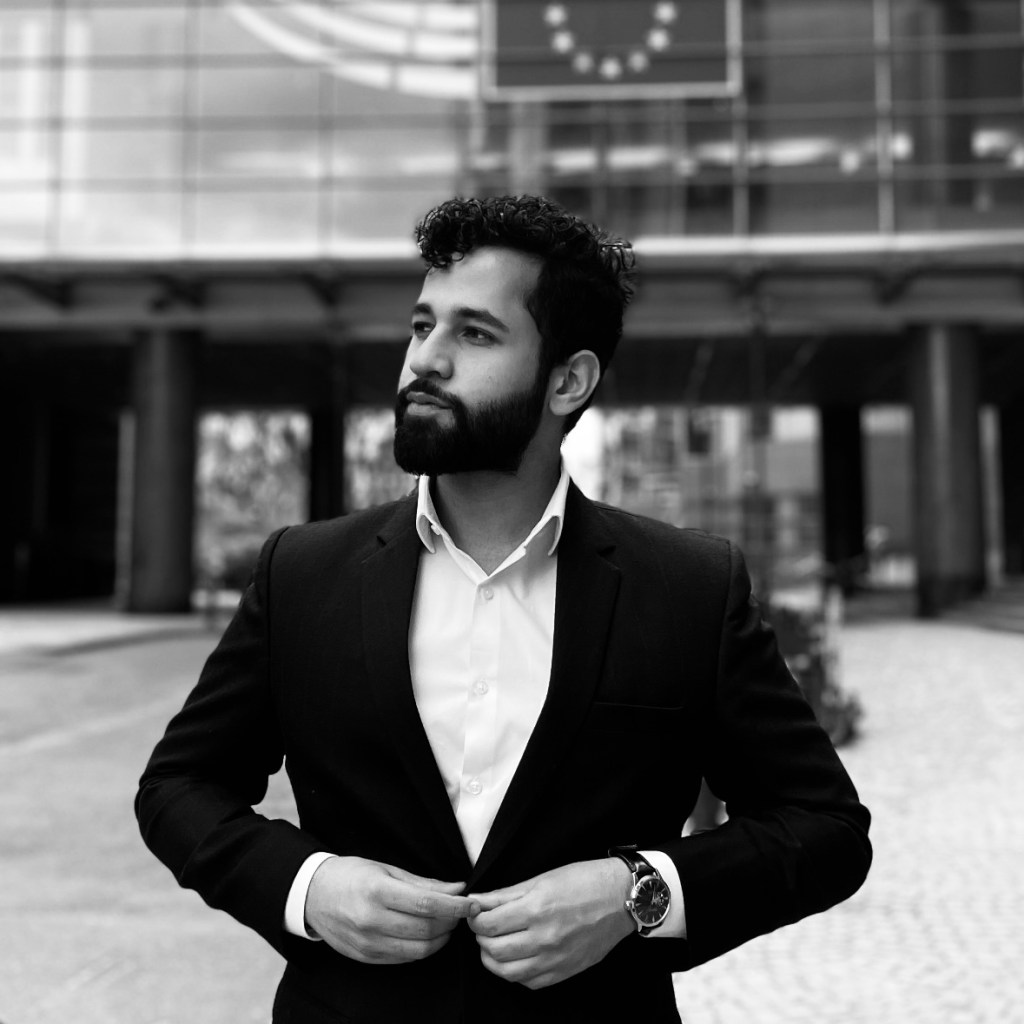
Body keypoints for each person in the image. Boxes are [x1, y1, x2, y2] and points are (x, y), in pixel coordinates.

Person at [136, 194, 871, 1023]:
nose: (426, 360)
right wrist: (310, 887)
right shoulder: (302, 574)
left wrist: (635, 893)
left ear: (568, 380)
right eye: (422, 326)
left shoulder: (689, 588)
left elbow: (825, 827)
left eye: (475, 334)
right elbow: (180, 785)